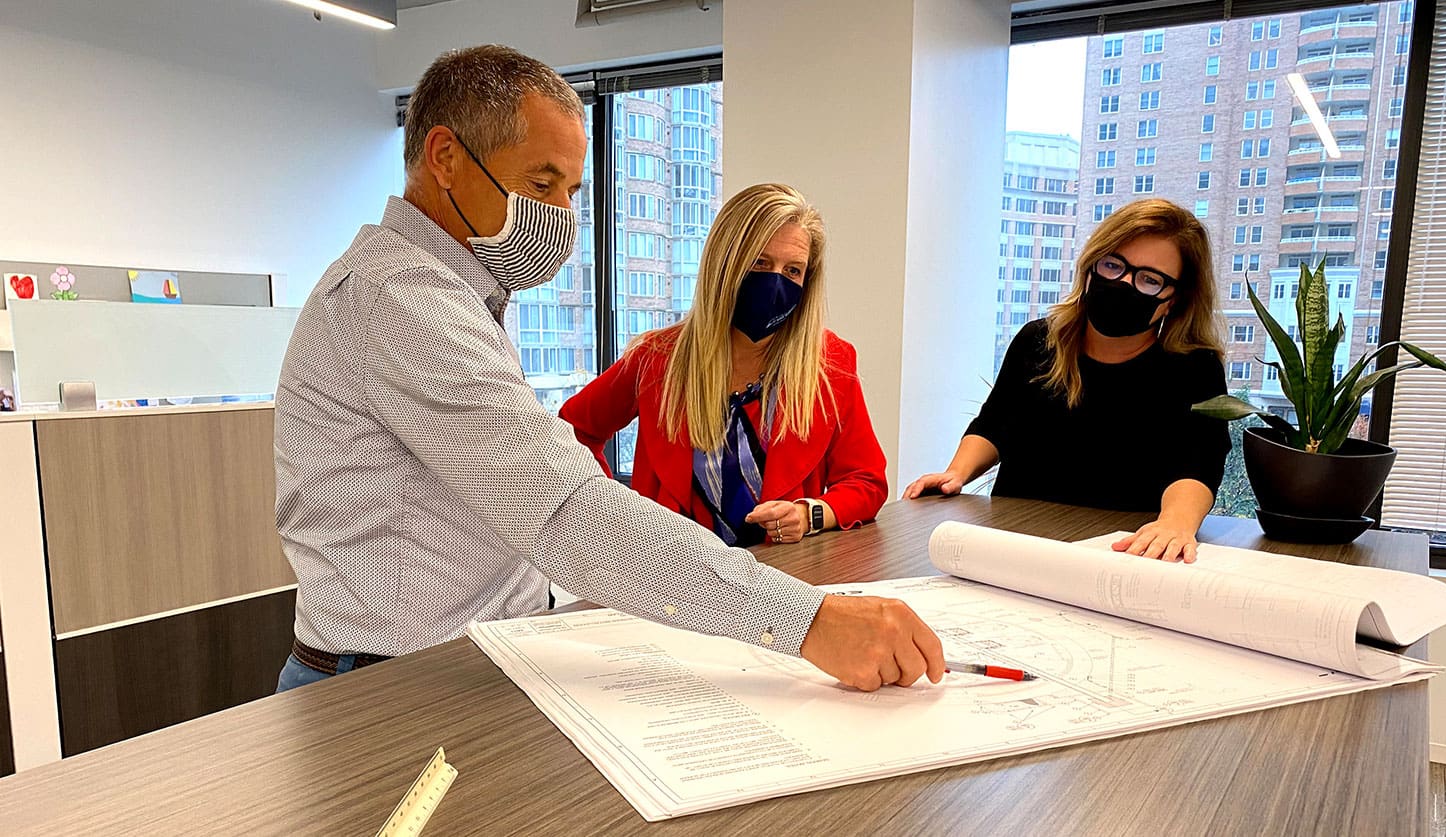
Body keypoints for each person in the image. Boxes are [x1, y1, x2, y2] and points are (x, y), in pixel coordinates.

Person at [273, 45, 943, 694]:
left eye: (570, 189)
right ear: (445, 157)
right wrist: (811, 622)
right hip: (390, 680)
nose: (562, 215)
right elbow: (563, 504)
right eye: (542, 183)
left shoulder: (462, 296)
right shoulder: (402, 299)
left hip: (477, 654)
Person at [560, 184, 886, 548]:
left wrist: (809, 514)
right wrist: (613, 513)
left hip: (782, 581)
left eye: (793, 270)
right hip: (673, 577)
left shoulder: (830, 364)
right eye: (760, 263)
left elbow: (866, 481)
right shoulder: (657, 358)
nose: (775, 281)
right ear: (725, 263)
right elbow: (573, 432)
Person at [904, 199, 1230, 563]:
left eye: (1149, 279)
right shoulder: (1038, 341)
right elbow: (995, 424)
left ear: (1174, 299)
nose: (1123, 283)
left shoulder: (1193, 368)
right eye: (1113, 265)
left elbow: (1199, 462)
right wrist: (956, 473)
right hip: (1017, 544)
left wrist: (1176, 523)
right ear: (1091, 266)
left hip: (1121, 555)